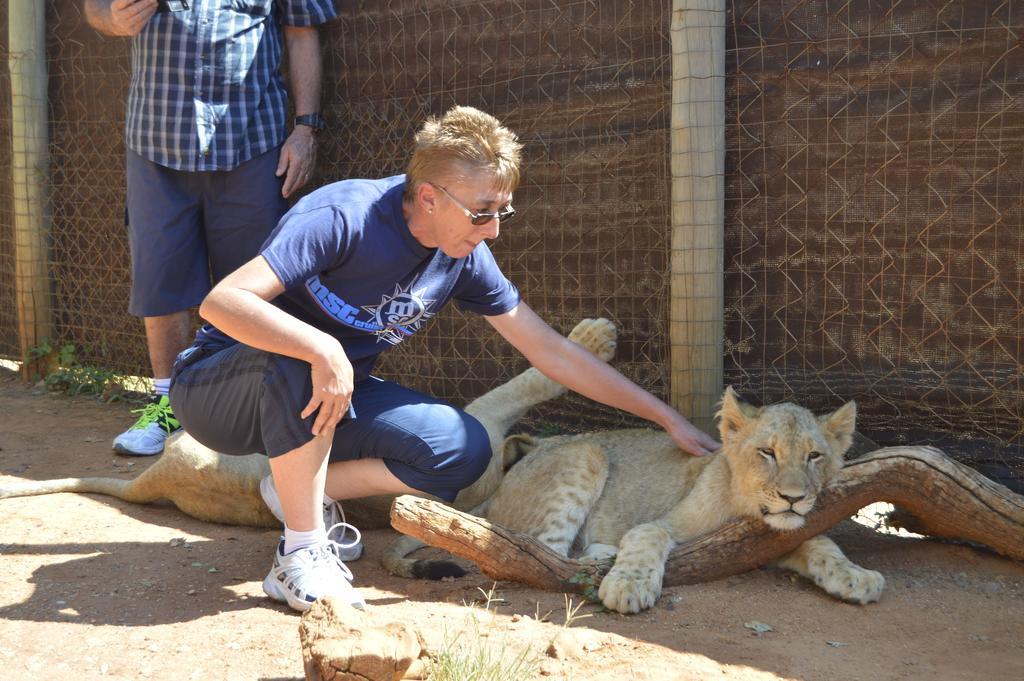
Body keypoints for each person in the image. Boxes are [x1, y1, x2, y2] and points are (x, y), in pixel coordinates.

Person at [168, 106, 721, 613]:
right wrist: (322, 346)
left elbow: (550, 350)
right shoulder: (344, 215)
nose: (494, 230)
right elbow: (224, 303)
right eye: (482, 212)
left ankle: (297, 492)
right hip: (219, 390)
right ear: (430, 197)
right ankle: (300, 553)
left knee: (461, 448)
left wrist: (664, 416)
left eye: (503, 211)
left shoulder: (463, 256)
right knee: (302, 354)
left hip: (327, 397)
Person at [83, 0, 337, 456]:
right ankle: (167, 406)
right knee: (162, 278)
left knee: (256, 286)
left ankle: (243, 416)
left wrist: (306, 130)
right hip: (156, 139)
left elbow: (302, 32)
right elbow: (96, 9)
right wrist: (110, 18)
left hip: (253, 141)